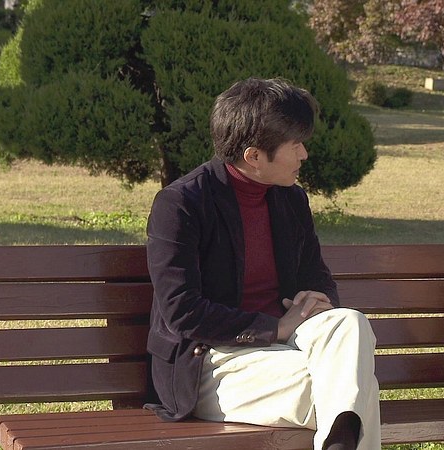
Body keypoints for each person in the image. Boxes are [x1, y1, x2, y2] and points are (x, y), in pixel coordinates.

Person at [144, 77, 381, 450]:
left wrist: (317, 300)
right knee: (352, 387)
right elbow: (182, 312)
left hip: (288, 348)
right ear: (253, 156)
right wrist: (275, 328)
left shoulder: (291, 199)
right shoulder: (182, 204)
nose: (304, 154)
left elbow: (317, 277)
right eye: (295, 144)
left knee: (349, 323)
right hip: (212, 362)